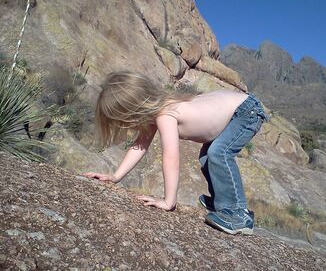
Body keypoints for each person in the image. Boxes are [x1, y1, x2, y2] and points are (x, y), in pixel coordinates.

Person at [84, 71, 269, 234]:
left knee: (218, 154)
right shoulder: (156, 112)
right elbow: (139, 145)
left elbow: (171, 157)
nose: (126, 126)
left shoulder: (165, 114)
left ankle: (238, 213)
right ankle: (223, 201)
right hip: (232, 106)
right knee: (207, 157)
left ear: (133, 111)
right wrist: (115, 176)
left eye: (123, 120)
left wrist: (168, 201)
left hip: (245, 111)